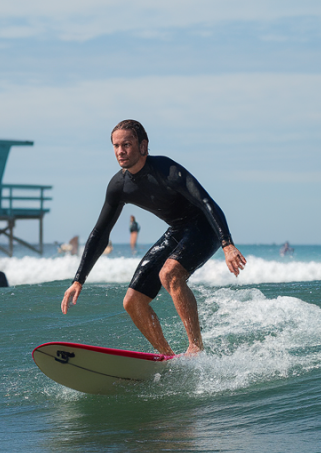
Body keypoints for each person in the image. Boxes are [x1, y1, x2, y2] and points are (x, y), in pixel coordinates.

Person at [61, 119, 245, 356]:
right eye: (116, 146)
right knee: (132, 301)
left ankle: (196, 348)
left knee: (169, 274)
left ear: (143, 146)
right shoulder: (119, 186)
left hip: (205, 228)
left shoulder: (167, 170)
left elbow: (206, 202)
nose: (120, 151)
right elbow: (100, 233)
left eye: (126, 144)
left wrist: (227, 244)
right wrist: (79, 279)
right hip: (177, 230)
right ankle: (168, 357)